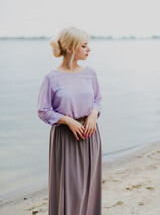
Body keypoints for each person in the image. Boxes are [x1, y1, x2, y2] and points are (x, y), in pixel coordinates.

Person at [37, 26, 102, 215]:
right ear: (70, 48)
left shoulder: (90, 73)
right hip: (66, 138)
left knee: (90, 186)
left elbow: (97, 100)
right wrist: (68, 120)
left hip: (91, 136)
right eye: (84, 45)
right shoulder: (51, 78)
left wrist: (93, 115)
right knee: (70, 190)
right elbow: (43, 110)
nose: (88, 49)